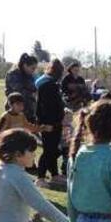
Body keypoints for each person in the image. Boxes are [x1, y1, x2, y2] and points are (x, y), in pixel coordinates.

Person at [35, 59, 66, 187]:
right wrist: (48, 123)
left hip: (54, 122)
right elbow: (47, 107)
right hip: (50, 123)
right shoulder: (49, 85)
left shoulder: (48, 83)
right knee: (49, 150)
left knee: (52, 149)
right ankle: (40, 177)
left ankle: (54, 175)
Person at [5, 53, 38, 123]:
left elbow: (34, 89)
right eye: (32, 68)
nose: (34, 70)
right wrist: (32, 94)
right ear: (25, 65)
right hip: (15, 112)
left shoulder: (30, 76)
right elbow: (18, 92)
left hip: (29, 112)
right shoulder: (13, 74)